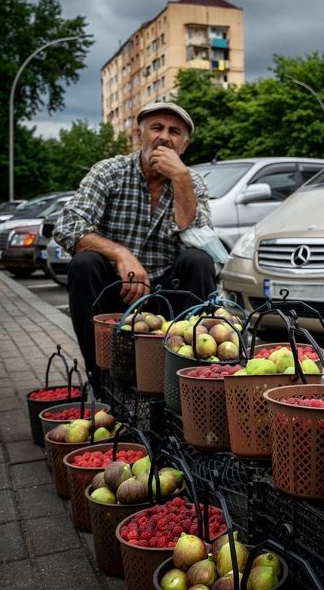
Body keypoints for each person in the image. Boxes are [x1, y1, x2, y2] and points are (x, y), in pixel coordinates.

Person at [53, 101, 217, 389]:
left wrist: (180, 179)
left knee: (198, 261)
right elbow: (67, 226)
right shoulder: (109, 171)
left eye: (174, 132)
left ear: (184, 145)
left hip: (169, 294)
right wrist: (120, 254)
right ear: (139, 135)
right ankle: (102, 380)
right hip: (117, 291)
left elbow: (199, 237)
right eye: (157, 128)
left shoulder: (193, 182)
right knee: (84, 263)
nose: (165, 137)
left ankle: (186, 378)